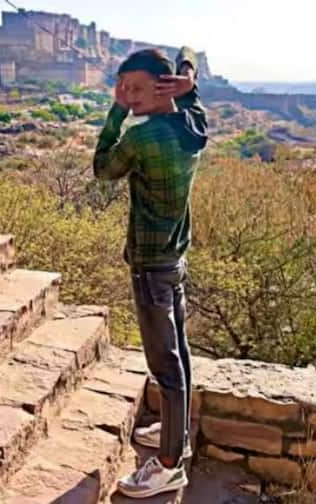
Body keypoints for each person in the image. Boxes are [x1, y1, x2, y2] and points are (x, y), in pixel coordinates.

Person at [93, 46, 207, 498]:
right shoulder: (193, 123)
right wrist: (189, 77)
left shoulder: (144, 137)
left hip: (151, 265)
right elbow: (188, 51)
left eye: (137, 88)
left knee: (165, 365)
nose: (128, 95)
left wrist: (115, 113)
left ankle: (167, 465)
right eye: (124, 88)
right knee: (178, 352)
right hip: (174, 259)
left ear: (162, 88)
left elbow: (103, 168)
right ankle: (175, 438)